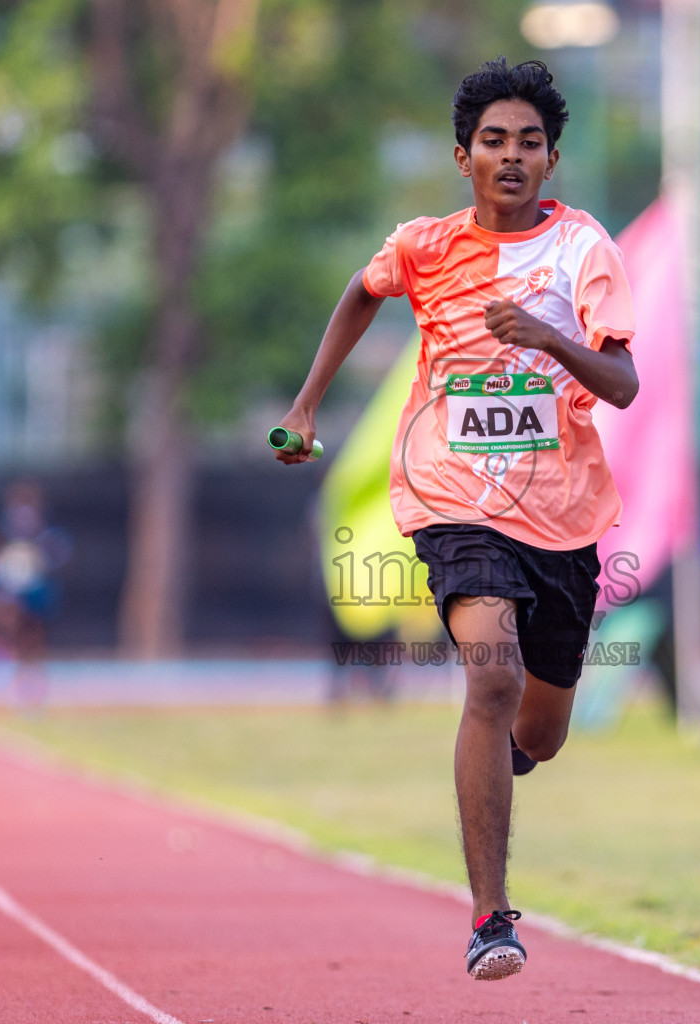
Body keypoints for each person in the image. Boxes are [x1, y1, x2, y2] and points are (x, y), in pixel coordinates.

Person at [274, 58, 638, 981]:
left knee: (541, 731)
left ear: (551, 160)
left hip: (561, 514)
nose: (510, 157)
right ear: (462, 157)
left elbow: (625, 386)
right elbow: (362, 291)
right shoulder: (425, 246)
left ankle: (499, 764)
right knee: (492, 679)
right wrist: (310, 404)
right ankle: (490, 918)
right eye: (492, 142)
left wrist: (551, 337)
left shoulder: (585, 250)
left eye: (528, 143)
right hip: (453, 498)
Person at [0, 480, 71, 706]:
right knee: (3, 612)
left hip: (35, 601)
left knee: (31, 632)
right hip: (3, 600)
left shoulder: (47, 539)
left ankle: (29, 681)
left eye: (30, 508)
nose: (25, 515)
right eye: (20, 508)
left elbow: (61, 564)